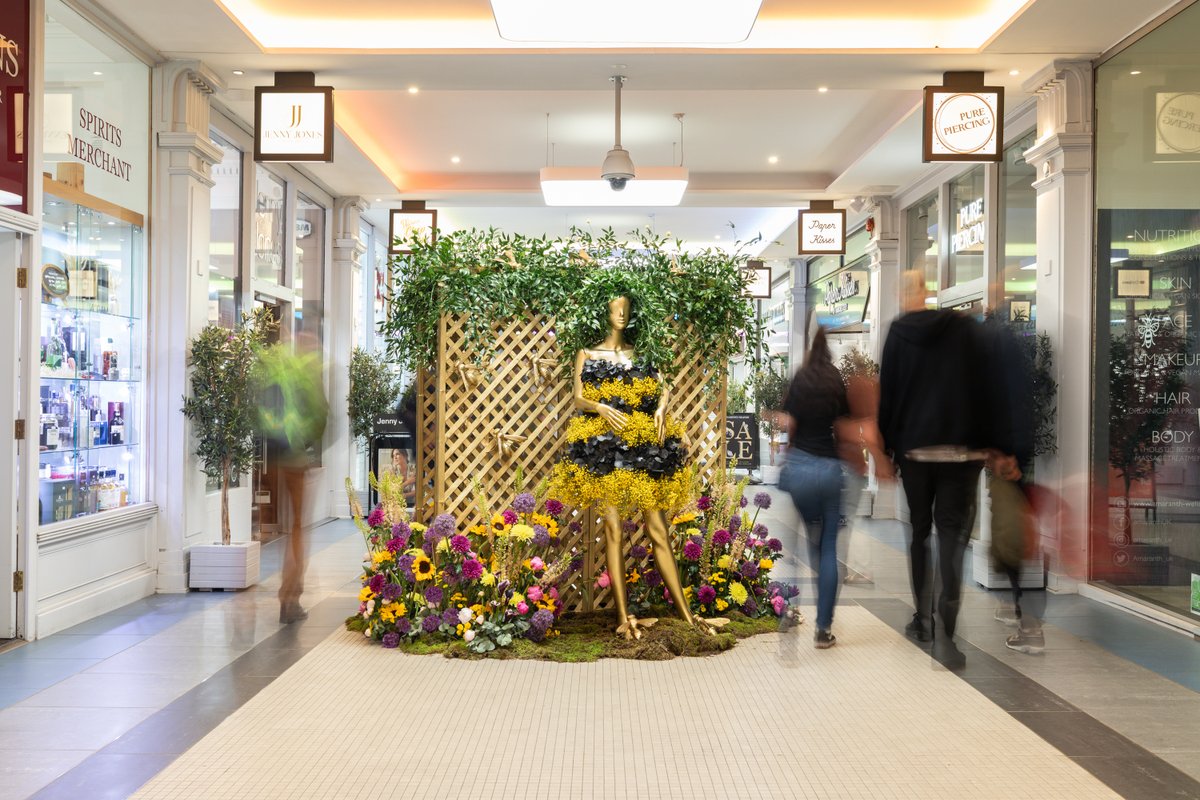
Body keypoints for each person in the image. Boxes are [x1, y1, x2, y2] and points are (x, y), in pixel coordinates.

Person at [548, 294, 697, 640]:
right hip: (604, 447)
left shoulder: (641, 352)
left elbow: (664, 385)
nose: (621, 314)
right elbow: (577, 397)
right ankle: (622, 616)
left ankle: (687, 615)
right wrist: (599, 408)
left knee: (658, 529)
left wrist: (661, 409)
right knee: (612, 530)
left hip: (644, 445)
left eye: (626, 309)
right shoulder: (587, 352)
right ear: (603, 311)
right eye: (615, 308)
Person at [878, 272, 990, 669]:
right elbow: (981, 386)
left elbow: (887, 394)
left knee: (920, 532)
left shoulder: (897, 334)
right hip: (959, 453)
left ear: (903, 294)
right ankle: (946, 634)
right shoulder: (960, 329)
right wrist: (985, 443)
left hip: (916, 452)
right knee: (951, 540)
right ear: (926, 293)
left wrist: (889, 448)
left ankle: (922, 619)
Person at [779, 328, 850, 649]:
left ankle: (791, 612)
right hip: (830, 469)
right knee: (829, 549)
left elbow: (790, 422)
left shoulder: (801, 377)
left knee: (805, 545)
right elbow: (844, 422)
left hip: (802, 468)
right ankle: (823, 629)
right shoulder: (834, 379)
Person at [258, 331, 329, 624]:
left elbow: (259, 408)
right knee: (298, 528)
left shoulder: (275, 368)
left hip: (271, 457)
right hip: (295, 459)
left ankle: (286, 592)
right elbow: (320, 413)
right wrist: (308, 446)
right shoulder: (308, 371)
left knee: (276, 529)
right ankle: (290, 598)